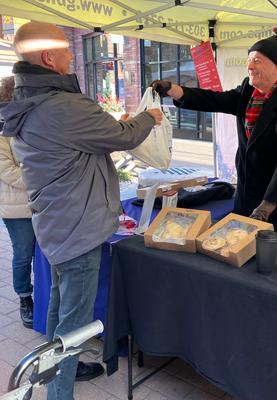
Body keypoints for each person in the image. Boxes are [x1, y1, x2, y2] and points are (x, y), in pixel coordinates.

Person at [0, 21, 163, 400]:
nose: (74, 55)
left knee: (59, 308)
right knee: (75, 324)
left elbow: (79, 143)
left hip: (56, 223)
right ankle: (60, 393)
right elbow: (123, 137)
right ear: (48, 57)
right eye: (66, 50)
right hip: (78, 228)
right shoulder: (63, 105)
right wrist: (147, 119)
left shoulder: (28, 102)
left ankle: (57, 375)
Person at [152, 35, 277, 235]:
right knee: (240, 240)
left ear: (275, 66)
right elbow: (215, 100)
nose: (250, 66)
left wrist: (269, 203)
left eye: (257, 60)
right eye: (249, 60)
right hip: (249, 183)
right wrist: (174, 90)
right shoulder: (248, 90)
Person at [0, 76, 35, 329]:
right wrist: (42, 176)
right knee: (23, 253)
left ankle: (42, 296)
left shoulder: (31, 122)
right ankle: (25, 297)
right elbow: (7, 171)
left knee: (44, 255)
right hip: (16, 206)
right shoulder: (2, 129)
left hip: (42, 201)